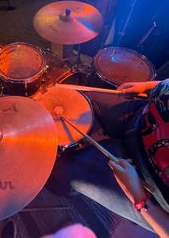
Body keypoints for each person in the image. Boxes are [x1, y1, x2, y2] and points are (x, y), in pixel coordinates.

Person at [47, 79, 169, 237]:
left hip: (146, 183)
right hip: (142, 115)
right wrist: (147, 86)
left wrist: (137, 195)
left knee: (61, 171)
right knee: (82, 98)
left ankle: (65, 188)